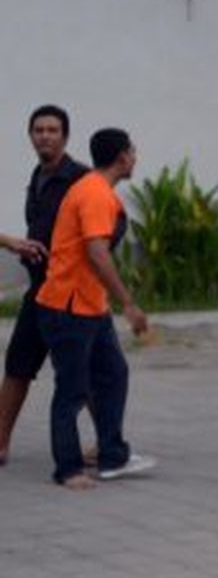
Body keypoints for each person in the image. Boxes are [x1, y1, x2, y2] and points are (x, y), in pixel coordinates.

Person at [34, 127, 153, 489]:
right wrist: (129, 304)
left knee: (113, 374)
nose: (135, 158)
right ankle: (68, 469)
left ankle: (112, 456)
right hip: (67, 306)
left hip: (90, 306)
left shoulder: (93, 189)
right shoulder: (95, 193)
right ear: (122, 157)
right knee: (72, 389)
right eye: (132, 152)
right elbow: (97, 253)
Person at [0, 105, 90, 468]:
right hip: (39, 290)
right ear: (31, 136)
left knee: (86, 371)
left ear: (65, 136)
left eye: (52, 130)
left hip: (72, 292)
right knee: (18, 366)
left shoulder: (82, 179)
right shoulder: (37, 176)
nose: (45, 136)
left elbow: (112, 225)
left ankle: (110, 444)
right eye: (38, 130)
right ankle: (1, 442)